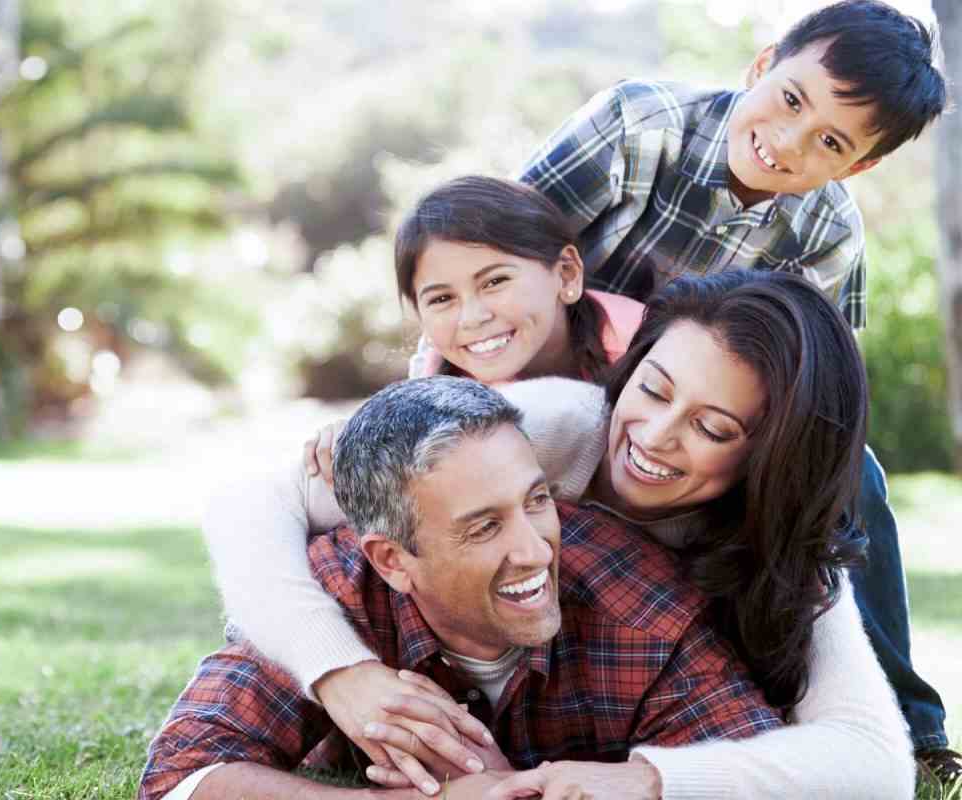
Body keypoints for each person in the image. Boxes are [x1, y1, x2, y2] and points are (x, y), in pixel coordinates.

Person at [204, 271, 915, 798]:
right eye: (656, 389)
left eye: (713, 427)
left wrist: (644, 781)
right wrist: (340, 673)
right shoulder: (547, 427)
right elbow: (249, 500)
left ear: (770, 457)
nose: (655, 437)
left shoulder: (787, 558)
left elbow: (875, 764)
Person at [516, 0, 953, 779]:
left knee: (854, 475)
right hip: (565, 382)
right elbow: (496, 263)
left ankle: (905, 721)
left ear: (857, 166)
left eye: (829, 141)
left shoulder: (828, 233)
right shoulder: (637, 123)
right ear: (760, 66)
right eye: (791, 99)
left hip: (705, 426)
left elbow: (817, 393)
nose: (787, 142)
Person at [140, 377, 783, 800]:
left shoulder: (645, 611)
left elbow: (769, 773)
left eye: (536, 501)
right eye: (483, 528)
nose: (535, 550)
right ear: (394, 561)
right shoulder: (332, 592)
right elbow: (182, 778)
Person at [391, 175, 644, 387]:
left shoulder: (646, 353)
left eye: (494, 281)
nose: (472, 318)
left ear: (567, 274)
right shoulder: (437, 389)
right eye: (442, 299)